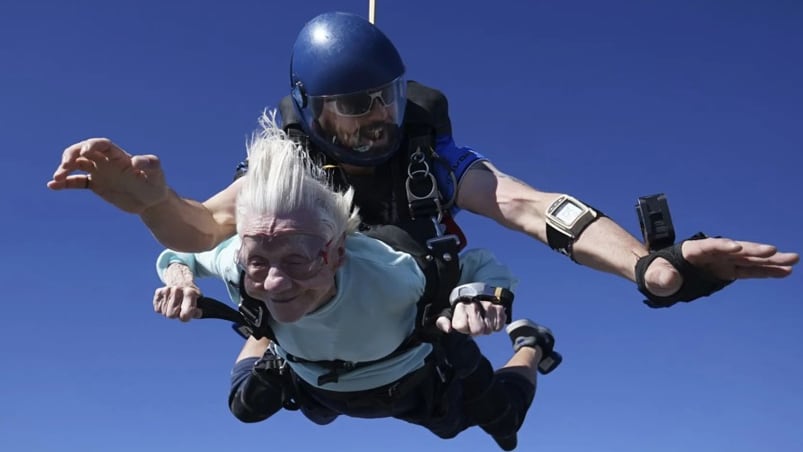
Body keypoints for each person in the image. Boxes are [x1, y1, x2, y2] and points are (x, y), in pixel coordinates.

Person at [47, 11, 798, 321]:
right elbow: (205, 226)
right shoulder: (288, 161)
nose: (377, 118)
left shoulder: (426, 157)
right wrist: (149, 201)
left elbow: (531, 208)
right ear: (311, 110)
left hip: (425, 325)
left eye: (386, 98)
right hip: (316, 315)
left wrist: (650, 268)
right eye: (353, 106)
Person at [154, 114, 558, 451]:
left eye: (297, 259)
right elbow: (179, 253)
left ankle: (532, 345)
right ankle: (272, 333)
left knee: (505, 424)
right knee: (245, 406)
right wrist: (180, 279)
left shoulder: (394, 273)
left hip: (410, 378)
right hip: (313, 379)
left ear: (338, 254)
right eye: (258, 260)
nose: (276, 280)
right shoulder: (238, 260)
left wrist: (479, 296)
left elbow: (484, 266)